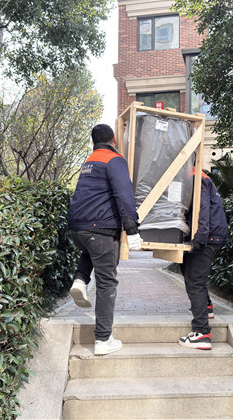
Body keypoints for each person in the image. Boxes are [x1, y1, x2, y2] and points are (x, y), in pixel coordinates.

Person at [68, 123, 141, 356]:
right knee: (107, 283)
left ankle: (80, 280)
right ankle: (102, 339)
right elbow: (124, 193)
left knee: (90, 249)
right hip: (101, 228)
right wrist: (132, 228)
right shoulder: (113, 159)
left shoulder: (89, 161)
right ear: (114, 141)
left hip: (78, 228)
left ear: (93, 142)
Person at [179, 168, 228, 350]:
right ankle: (206, 307)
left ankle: (201, 333)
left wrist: (199, 239)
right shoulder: (198, 176)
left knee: (195, 282)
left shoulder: (196, 178)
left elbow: (202, 207)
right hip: (211, 235)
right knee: (187, 270)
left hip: (208, 237)